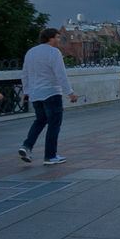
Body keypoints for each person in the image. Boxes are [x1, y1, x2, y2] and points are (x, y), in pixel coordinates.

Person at [19, 28, 78, 165]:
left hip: (35, 94)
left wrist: (26, 91)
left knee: (40, 121)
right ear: (50, 38)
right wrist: (70, 92)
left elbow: (24, 73)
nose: (59, 40)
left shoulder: (31, 52)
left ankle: (26, 146)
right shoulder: (54, 52)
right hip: (51, 93)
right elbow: (60, 74)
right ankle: (50, 156)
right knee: (54, 124)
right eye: (57, 37)